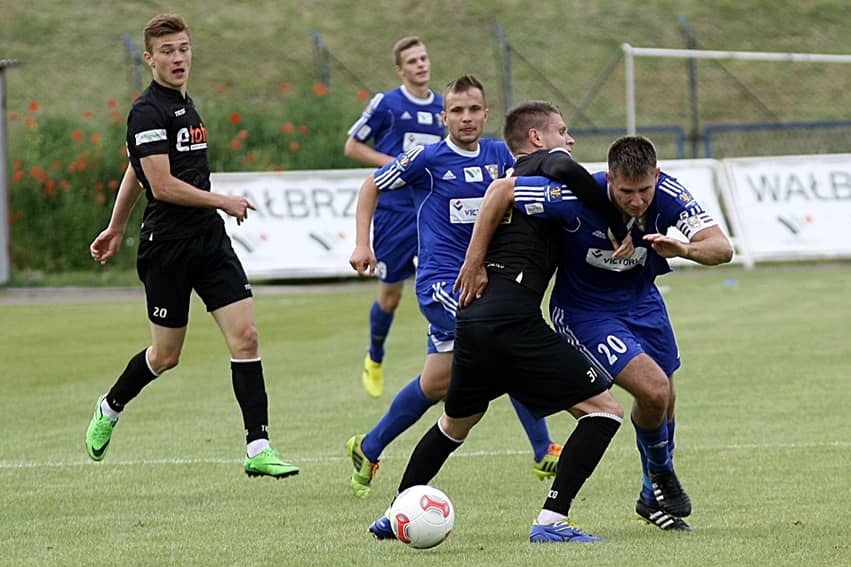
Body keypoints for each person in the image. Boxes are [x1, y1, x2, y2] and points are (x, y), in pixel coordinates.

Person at [367, 101, 629, 543]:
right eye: (562, 131)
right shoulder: (541, 167)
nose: (569, 140)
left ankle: (394, 514)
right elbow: (564, 169)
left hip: (476, 317)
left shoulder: (516, 177)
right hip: (510, 317)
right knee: (605, 410)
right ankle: (552, 521)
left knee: (456, 424)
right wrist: (615, 222)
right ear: (536, 138)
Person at [84, 13, 298, 479]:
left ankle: (258, 447)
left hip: (208, 240)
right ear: (149, 58)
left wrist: (115, 226)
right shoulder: (147, 111)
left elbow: (134, 169)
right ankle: (111, 405)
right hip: (167, 246)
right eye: (168, 51)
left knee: (246, 336)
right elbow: (158, 184)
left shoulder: (186, 104)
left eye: (183, 49)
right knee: (166, 356)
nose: (178, 58)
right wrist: (221, 200)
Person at [500, 135, 734, 531]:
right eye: (626, 192)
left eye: (645, 190)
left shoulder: (669, 193)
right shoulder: (575, 195)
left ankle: (650, 496)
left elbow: (721, 249)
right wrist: (475, 263)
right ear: (609, 179)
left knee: (665, 400)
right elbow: (503, 192)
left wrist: (683, 249)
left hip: (643, 305)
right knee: (654, 389)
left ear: (657, 176)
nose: (637, 201)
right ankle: (661, 473)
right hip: (584, 312)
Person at [345, 78, 561, 500]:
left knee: (435, 383)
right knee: (503, 341)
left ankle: (367, 447)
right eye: (457, 111)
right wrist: (362, 243)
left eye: (474, 109)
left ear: (486, 114)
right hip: (441, 284)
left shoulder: (500, 155)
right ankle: (543, 449)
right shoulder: (428, 159)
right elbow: (372, 185)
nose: (466, 118)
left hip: (485, 281)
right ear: (444, 117)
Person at [344, 36, 444, 399]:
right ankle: (375, 356)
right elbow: (352, 146)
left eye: (424, 58)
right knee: (390, 298)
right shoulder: (387, 104)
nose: (421, 64)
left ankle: (448, 359)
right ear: (401, 70)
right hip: (393, 215)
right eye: (413, 61)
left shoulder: (444, 107)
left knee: (443, 286)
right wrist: (398, 165)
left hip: (432, 212)